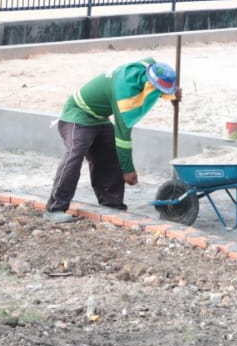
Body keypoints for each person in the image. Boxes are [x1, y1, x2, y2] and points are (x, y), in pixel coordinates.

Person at [44, 58, 179, 223]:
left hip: (99, 118)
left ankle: (112, 206)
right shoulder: (125, 92)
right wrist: (128, 169)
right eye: (157, 91)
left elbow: (158, 78)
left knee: (109, 154)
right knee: (75, 153)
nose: (157, 95)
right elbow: (122, 135)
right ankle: (55, 208)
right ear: (150, 83)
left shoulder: (145, 67)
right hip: (77, 114)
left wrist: (171, 93)